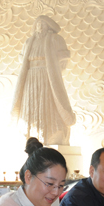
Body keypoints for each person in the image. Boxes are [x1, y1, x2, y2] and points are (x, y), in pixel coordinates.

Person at [10, 15, 76, 146]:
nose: (40, 26)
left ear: (48, 27)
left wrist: (54, 70)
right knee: (31, 103)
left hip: (48, 76)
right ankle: (31, 135)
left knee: (49, 101)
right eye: (38, 24)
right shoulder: (29, 42)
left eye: (43, 24)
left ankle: (51, 134)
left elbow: (63, 59)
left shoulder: (55, 39)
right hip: (30, 77)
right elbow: (23, 59)